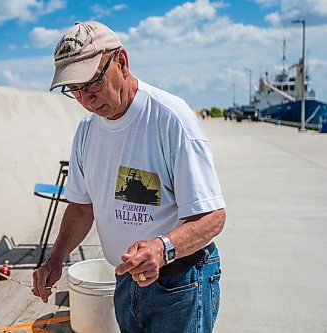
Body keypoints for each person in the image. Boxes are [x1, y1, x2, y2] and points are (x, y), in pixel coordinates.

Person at [32, 20, 226, 333]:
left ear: (121, 62)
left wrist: (162, 249)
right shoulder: (86, 131)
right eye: (75, 89)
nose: (86, 99)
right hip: (123, 278)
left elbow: (213, 217)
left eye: (92, 82)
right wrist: (55, 259)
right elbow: (82, 208)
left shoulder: (170, 119)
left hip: (180, 282)